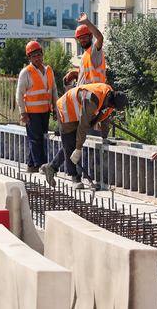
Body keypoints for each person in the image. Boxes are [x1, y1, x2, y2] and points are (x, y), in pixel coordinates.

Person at [41, 12, 107, 187]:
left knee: (72, 141)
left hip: (88, 102)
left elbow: (100, 37)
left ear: (90, 37)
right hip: (77, 105)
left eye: (85, 36)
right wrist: (77, 73)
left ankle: (53, 167)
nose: (82, 40)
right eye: (80, 38)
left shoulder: (94, 51)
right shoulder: (86, 56)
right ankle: (72, 175)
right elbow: (88, 77)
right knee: (71, 142)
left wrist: (87, 22)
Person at [49, 83, 128, 190]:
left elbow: (105, 117)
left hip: (76, 112)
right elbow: (83, 125)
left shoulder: (109, 97)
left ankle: (51, 167)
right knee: (70, 146)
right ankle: (74, 177)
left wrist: (104, 138)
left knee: (70, 143)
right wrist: (78, 148)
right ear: (112, 103)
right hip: (66, 109)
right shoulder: (92, 99)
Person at [15, 41, 58, 173]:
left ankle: (31, 165)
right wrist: (23, 113)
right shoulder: (26, 72)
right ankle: (41, 165)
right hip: (32, 113)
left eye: (39, 55)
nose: (37, 58)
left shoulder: (49, 70)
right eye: (34, 57)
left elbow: (54, 90)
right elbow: (19, 94)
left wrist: (56, 109)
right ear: (29, 58)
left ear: (42, 54)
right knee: (36, 139)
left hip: (45, 111)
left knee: (41, 138)